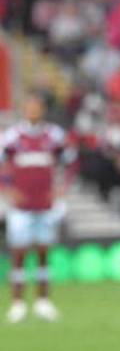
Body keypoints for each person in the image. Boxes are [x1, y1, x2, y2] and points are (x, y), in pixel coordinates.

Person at [2, 91, 74, 323]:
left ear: (42, 109)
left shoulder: (53, 135)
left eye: (37, 106)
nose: (33, 110)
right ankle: (18, 303)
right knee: (19, 254)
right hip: (21, 205)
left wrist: (62, 188)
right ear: (24, 109)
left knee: (43, 252)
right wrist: (7, 189)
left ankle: (43, 302)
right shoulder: (13, 137)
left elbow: (70, 161)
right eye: (29, 106)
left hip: (45, 204)